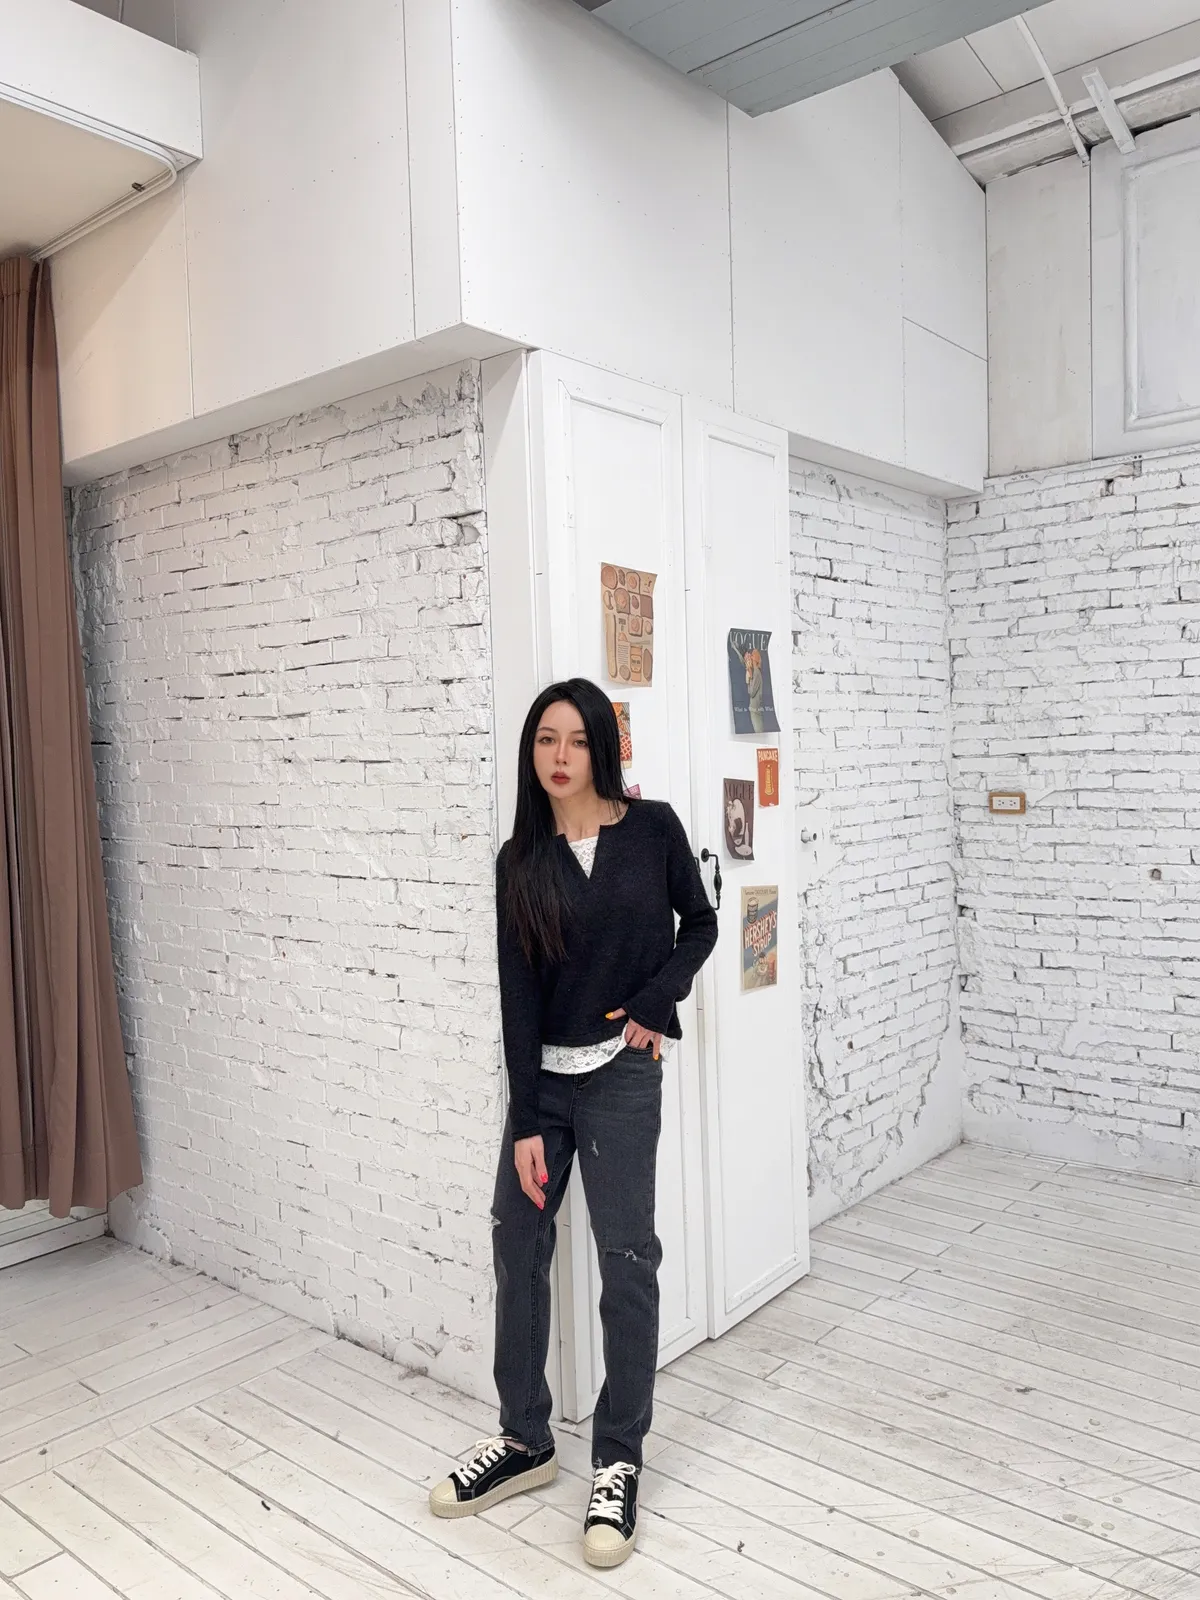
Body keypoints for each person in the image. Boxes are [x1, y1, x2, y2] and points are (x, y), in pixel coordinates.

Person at [429, 678, 718, 1567]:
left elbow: (701, 925)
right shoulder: (521, 860)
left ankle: (618, 1458)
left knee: (627, 1260)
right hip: (547, 1092)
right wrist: (525, 1120)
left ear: (602, 747)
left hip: (623, 1077)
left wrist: (655, 1002)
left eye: (577, 740)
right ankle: (525, 1439)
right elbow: (519, 999)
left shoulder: (653, 829)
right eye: (545, 740)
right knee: (517, 1241)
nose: (559, 757)